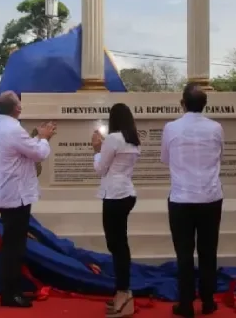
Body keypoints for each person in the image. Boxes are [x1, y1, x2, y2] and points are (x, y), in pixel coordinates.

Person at [0, 90, 56, 308]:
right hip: (16, 195)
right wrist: (44, 137)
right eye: (19, 104)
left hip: (6, 192)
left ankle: (11, 290)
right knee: (14, 248)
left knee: (12, 245)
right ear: (17, 108)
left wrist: (37, 137)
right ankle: (10, 294)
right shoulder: (13, 130)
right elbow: (38, 153)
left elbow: (24, 150)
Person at [162, 83, 223, 317]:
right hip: (210, 196)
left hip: (182, 197)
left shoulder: (171, 128)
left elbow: (165, 158)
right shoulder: (216, 128)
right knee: (208, 251)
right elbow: (220, 155)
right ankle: (208, 301)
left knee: (184, 254)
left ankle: (186, 304)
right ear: (205, 105)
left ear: (183, 104)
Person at [93, 103, 141, 318]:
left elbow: (100, 169)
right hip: (126, 193)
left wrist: (96, 150)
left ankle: (123, 292)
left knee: (117, 244)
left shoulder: (113, 138)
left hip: (114, 195)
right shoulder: (132, 139)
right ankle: (123, 290)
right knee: (119, 243)